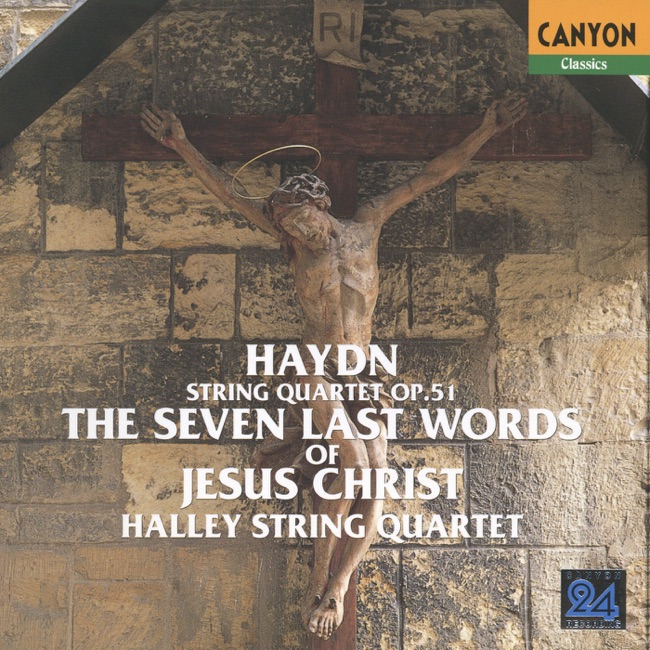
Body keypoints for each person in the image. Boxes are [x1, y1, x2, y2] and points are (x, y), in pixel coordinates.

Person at [140, 95, 527, 640]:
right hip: (315, 367)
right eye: (289, 227)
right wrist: (182, 145)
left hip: (366, 372)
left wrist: (486, 130)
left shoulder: (367, 224)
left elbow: (429, 176)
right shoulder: (295, 246)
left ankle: (339, 584)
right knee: (351, 459)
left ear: (319, 205)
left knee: (376, 475)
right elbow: (229, 192)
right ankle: (316, 580)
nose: (299, 232)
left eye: (302, 219)